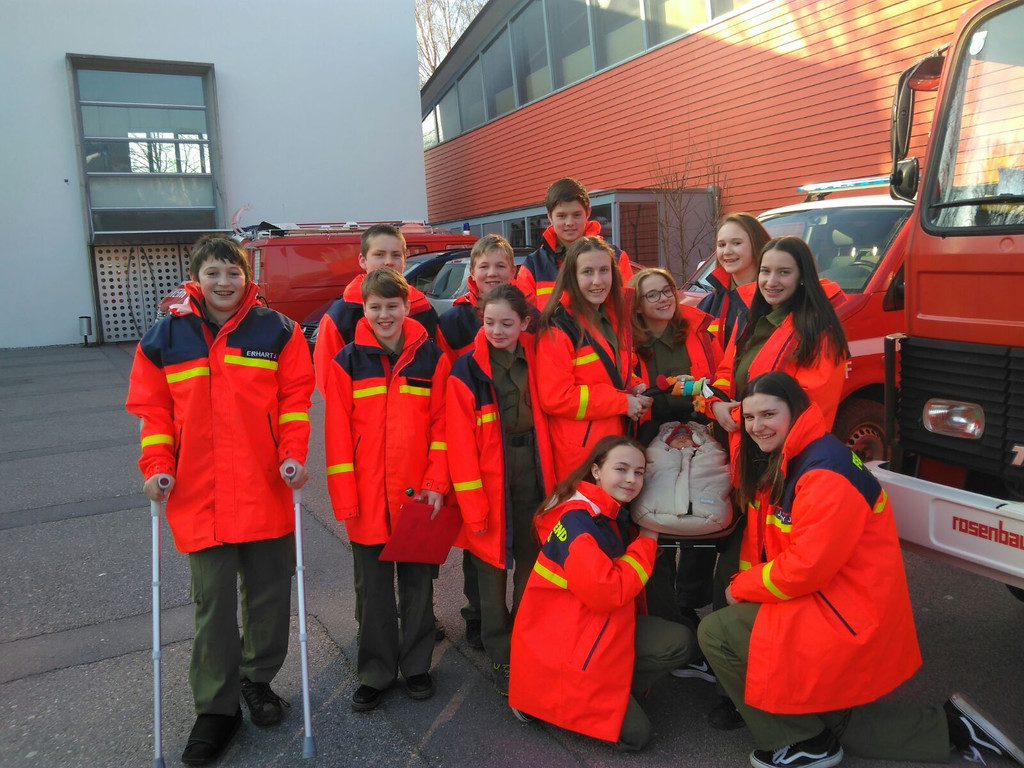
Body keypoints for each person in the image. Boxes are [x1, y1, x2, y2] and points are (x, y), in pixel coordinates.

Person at [698, 371, 1024, 768]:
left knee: (716, 632)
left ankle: (800, 741)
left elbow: (805, 568)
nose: (756, 426)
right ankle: (951, 729)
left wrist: (741, 587)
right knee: (836, 721)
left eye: (768, 415)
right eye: (749, 417)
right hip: (836, 600)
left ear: (795, 412)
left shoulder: (821, 471)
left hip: (842, 611)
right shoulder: (800, 454)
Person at [126, 235, 314, 767]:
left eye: (233, 272)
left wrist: (293, 454)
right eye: (213, 273)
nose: (224, 282)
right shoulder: (166, 336)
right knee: (213, 604)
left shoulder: (277, 331)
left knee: (269, 596)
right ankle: (217, 708)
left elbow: (295, 400)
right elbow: (154, 412)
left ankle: (257, 679)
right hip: (199, 496)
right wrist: (157, 467)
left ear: (247, 276)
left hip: (264, 488)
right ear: (196, 278)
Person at [702, 234, 850, 729]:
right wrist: (716, 400)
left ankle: (769, 686)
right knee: (740, 564)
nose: (771, 280)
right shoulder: (754, 320)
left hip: (783, 468)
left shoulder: (817, 331)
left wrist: (736, 413)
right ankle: (740, 683)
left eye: (783, 272)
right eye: (766, 271)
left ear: (803, 277)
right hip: (750, 462)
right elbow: (728, 371)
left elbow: (807, 402)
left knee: (768, 572)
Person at [508, 435, 696, 751]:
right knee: (637, 737)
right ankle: (538, 701)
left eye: (639, 473)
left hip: (586, 630)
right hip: (569, 648)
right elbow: (607, 593)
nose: (631, 479)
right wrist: (647, 541)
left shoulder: (600, 509)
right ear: (596, 471)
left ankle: (603, 692)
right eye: (621, 469)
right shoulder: (580, 523)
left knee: (680, 641)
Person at [322, 267, 450, 712]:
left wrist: (436, 483)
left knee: (418, 588)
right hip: (367, 499)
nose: (384, 315)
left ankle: (416, 667)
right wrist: (345, 497)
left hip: (417, 495)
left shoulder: (431, 358)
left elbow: (442, 428)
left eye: (392, 306)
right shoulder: (347, 361)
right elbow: (337, 435)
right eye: (374, 307)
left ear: (407, 306)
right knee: (373, 592)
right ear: (364, 309)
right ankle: (375, 672)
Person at [446, 284, 556, 695]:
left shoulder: (540, 356)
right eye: (489, 322)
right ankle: (501, 653)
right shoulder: (467, 369)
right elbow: (459, 443)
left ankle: (526, 640)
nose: (496, 330)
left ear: (525, 322)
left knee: (532, 561)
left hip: (534, 471)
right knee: (490, 571)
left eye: (507, 323)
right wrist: (473, 502)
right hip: (490, 477)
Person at [437, 234, 536, 651]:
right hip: (486, 460)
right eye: (484, 266)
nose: (497, 330)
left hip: (531, 463)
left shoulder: (536, 347)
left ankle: (528, 632)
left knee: (531, 548)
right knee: (485, 550)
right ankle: (489, 629)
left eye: (500, 265)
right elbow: (455, 425)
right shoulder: (459, 344)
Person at [627, 268, 722, 648]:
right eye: (652, 295)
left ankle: (691, 597)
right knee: (659, 522)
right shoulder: (630, 344)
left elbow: (717, 379)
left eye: (666, 290)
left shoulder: (699, 332)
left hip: (700, 430)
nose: (663, 299)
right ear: (638, 305)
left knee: (703, 514)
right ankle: (664, 606)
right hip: (651, 436)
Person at [535, 237, 651, 478]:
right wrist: (622, 402)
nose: (598, 281)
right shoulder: (559, 328)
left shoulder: (612, 318)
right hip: (582, 455)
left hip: (612, 443)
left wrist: (634, 387)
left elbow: (614, 372)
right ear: (572, 277)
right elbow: (556, 397)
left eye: (604, 271)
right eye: (587, 272)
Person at [313, 223, 439, 394]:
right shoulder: (340, 316)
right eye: (379, 254)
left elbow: (439, 373)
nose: (388, 261)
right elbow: (330, 386)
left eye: (396, 255)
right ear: (362, 260)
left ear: (405, 259)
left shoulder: (424, 309)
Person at [515, 177, 632, 309]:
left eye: (576, 215)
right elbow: (525, 316)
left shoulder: (616, 258)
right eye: (562, 216)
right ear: (549, 216)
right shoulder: (533, 266)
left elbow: (627, 310)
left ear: (588, 213)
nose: (570, 223)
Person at [698, 212, 771, 349]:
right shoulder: (709, 305)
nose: (727, 251)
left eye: (736, 243)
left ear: (757, 244)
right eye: (721, 245)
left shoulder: (774, 299)